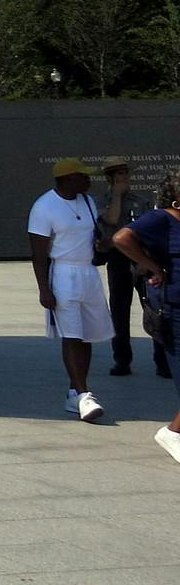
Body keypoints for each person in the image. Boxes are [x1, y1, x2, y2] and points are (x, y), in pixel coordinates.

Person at [107, 172, 180, 465]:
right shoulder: (161, 219)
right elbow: (121, 238)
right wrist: (153, 267)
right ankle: (172, 433)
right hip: (175, 310)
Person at [30, 159, 107, 422]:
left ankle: (76, 392)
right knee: (72, 334)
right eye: (83, 176)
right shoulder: (44, 206)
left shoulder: (88, 202)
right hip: (62, 274)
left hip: (88, 273)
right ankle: (83, 394)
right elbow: (38, 253)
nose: (88, 180)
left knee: (86, 334)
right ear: (67, 178)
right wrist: (44, 289)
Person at [98, 160, 157, 376]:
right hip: (118, 259)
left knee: (152, 308)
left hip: (141, 259)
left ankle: (162, 361)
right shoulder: (102, 201)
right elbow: (111, 219)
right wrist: (116, 196)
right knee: (119, 311)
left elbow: (150, 233)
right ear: (110, 178)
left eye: (126, 174)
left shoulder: (141, 202)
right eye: (119, 175)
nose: (125, 179)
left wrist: (145, 260)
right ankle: (122, 360)